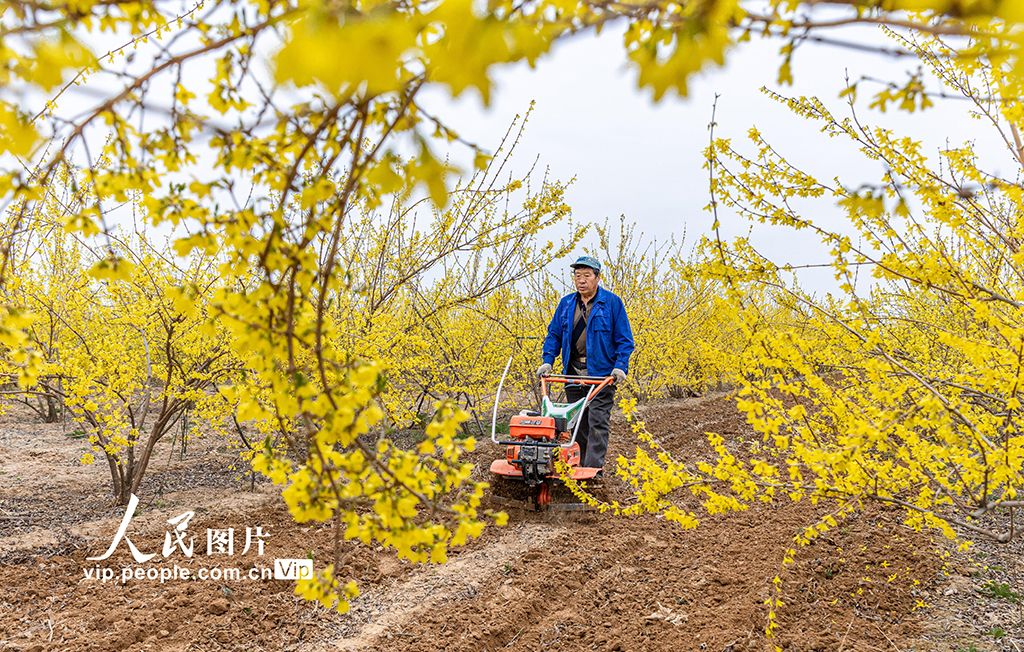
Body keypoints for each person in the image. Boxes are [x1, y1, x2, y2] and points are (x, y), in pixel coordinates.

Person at [537, 255, 634, 475]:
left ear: (598, 277)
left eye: (586, 276)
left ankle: (592, 472)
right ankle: (578, 468)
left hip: (601, 375)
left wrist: (620, 366)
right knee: (578, 422)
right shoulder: (566, 304)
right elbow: (554, 335)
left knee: (598, 422)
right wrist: (548, 361)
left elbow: (624, 340)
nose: (581, 280)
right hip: (573, 372)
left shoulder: (611, 303)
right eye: (577, 275)